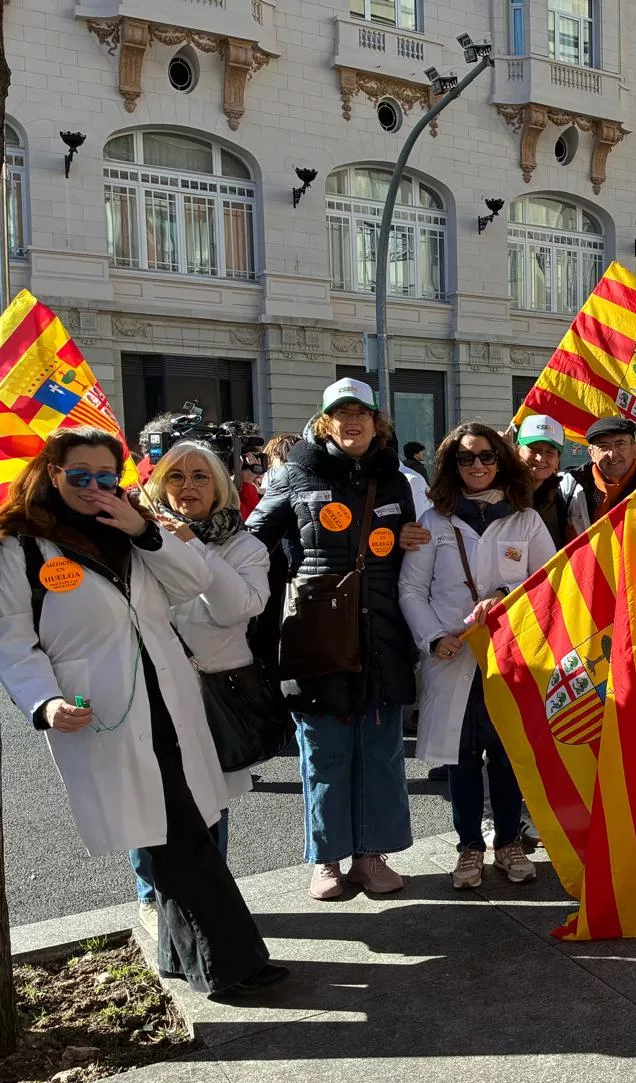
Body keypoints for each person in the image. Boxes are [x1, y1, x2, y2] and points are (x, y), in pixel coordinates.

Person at [0, 428, 287, 999]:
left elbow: (194, 583)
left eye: (106, 477)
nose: (93, 488)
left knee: (182, 829)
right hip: (102, 713)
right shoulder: (22, 548)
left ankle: (184, 957)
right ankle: (232, 965)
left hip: (174, 701)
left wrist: (146, 531)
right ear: (53, 473)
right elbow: (13, 644)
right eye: (79, 476)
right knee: (178, 836)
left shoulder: (131, 531)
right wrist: (44, 701)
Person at [247, 378, 429, 900]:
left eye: (362, 414)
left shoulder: (397, 479)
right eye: (341, 413)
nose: (352, 422)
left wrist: (410, 539)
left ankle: (372, 856)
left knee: (381, 751)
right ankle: (326, 860)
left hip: (382, 632)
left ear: (378, 423)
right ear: (325, 421)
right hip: (316, 635)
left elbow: (409, 546)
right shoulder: (294, 474)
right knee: (324, 752)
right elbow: (252, 541)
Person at [124, 440, 272, 933]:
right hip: (151, 688)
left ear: (221, 486)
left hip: (216, 691)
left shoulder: (245, 545)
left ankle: (213, 897)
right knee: (150, 792)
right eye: (176, 476)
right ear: (159, 484)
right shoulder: (133, 539)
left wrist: (190, 545)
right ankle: (152, 896)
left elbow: (233, 610)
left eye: (200, 476)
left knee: (211, 796)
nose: (188, 486)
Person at [399, 422, 554, 889]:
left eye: (487, 456)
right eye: (467, 458)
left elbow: (546, 580)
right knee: (462, 756)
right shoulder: (434, 522)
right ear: (452, 465)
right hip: (453, 653)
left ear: (501, 460)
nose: (479, 466)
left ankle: (507, 841)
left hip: (510, 655)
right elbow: (410, 589)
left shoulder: (525, 519)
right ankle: (469, 846)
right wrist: (431, 638)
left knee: (507, 752)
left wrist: (507, 594)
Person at [566, 415, 636, 525]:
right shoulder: (568, 486)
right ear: (591, 453)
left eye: (620, 444)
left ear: (634, 449)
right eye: (603, 446)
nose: (612, 454)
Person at [516, 413, 589, 548]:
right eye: (533, 449)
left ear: (557, 460)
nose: (540, 458)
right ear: (517, 450)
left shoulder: (562, 499)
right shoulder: (499, 494)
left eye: (549, 452)